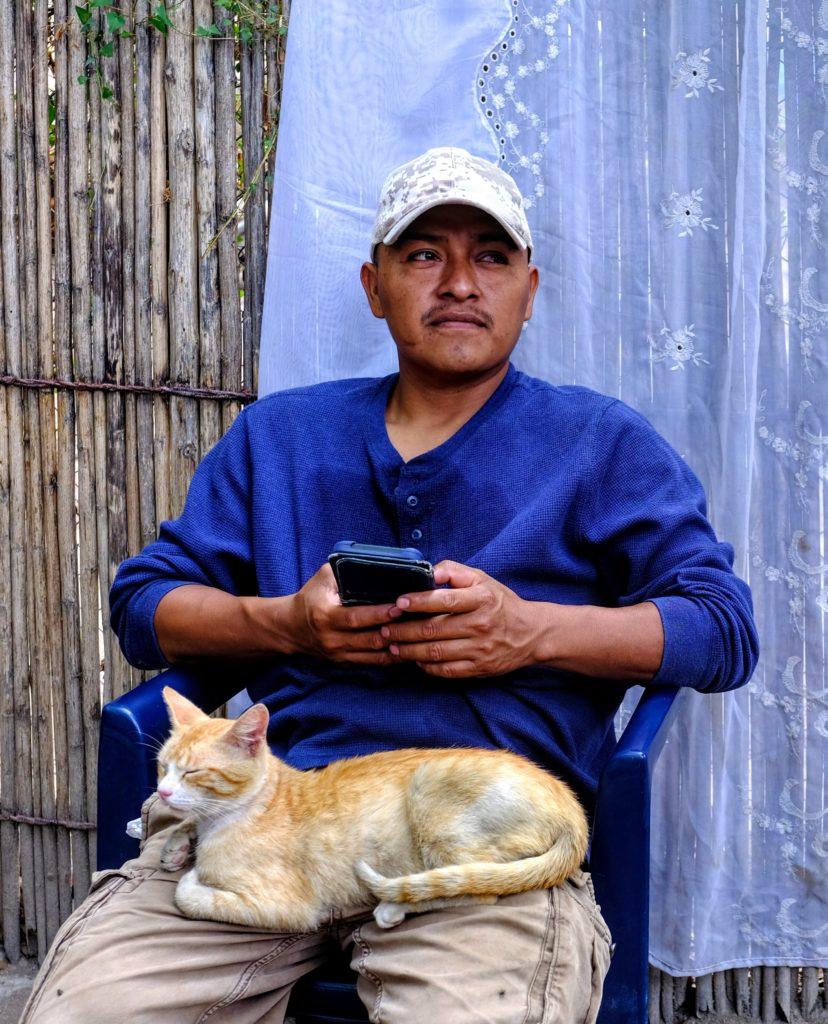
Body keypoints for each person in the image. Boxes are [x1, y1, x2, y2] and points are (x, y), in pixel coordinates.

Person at [22, 146, 758, 1024]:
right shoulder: (282, 438)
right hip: (271, 820)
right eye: (423, 255)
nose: (458, 282)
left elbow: (722, 630)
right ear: (374, 287)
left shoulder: (599, 444)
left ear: (530, 288)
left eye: (491, 255)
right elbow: (145, 606)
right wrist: (288, 622)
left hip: (475, 834)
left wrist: (532, 632)